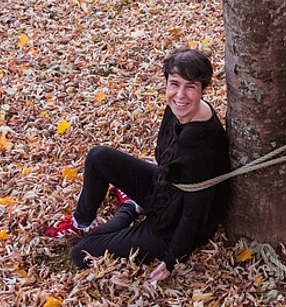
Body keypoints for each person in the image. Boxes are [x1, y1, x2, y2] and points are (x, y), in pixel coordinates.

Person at [43, 48, 230, 282]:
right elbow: (165, 151)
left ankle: (128, 208)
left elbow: (195, 213)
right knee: (98, 157)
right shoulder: (177, 109)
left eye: (190, 87)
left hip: (169, 226)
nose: (180, 94)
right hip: (163, 186)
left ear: (202, 89)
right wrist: (161, 165)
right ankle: (82, 222)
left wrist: (172, 259)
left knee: (81, 252)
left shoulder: (201, 147)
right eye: (174, 84)